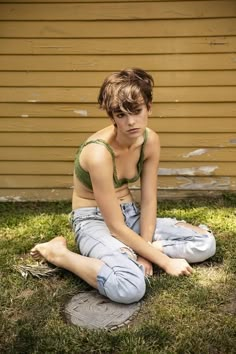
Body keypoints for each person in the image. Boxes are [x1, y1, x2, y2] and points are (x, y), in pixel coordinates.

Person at [31, 68, 216, 304]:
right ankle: (59, 253)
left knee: (205, 243)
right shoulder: (98, 153)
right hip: (95, 221)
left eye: (137, 111)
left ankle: (130, 253)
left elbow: (148, 200)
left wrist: (146, 252)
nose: (130, 122)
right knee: (129, 287)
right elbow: (115, 227)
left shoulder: (150, 141)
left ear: (149, 107)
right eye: (120, 115)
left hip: (130, 215)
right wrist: (166, 261)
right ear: (112, 117)